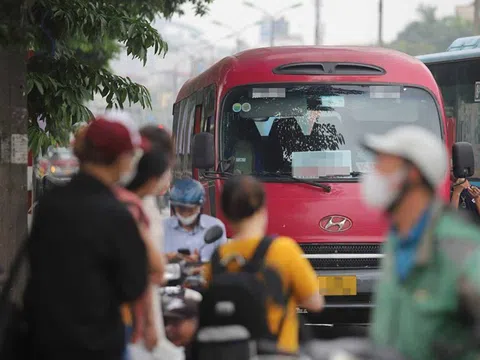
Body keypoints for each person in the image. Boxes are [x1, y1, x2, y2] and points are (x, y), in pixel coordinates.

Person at [24, 115, 151, 360]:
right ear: (119, 158)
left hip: (44, 342)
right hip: (97, 345)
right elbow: (133, 285)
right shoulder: (117, 214)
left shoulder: (50, 205)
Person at [360, 125, 480, 360]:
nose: (373, 172)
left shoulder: (459, 247)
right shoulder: (396, 241)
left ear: (412, 173)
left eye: (384, 163)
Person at [204, 175, 324, 354]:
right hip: (278, 353)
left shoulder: (217, 258)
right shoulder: (283, 249)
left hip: (232, 354)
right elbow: (315, 302)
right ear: (262, 209)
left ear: (225, 213)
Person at [163, 178, 227, 262]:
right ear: (174, 207)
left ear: (200, 207)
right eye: (181, 209)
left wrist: (200, 263)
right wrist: (169, 258)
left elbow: (224, 262)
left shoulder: (215, 226)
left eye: (190, 209)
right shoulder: (161, 228)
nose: (185, 214)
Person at [162, 287, 202, 360]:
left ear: (193, 323)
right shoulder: (159, 351)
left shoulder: (205, 351)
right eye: (167, 322)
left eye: (175, 323)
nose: (168, 328)